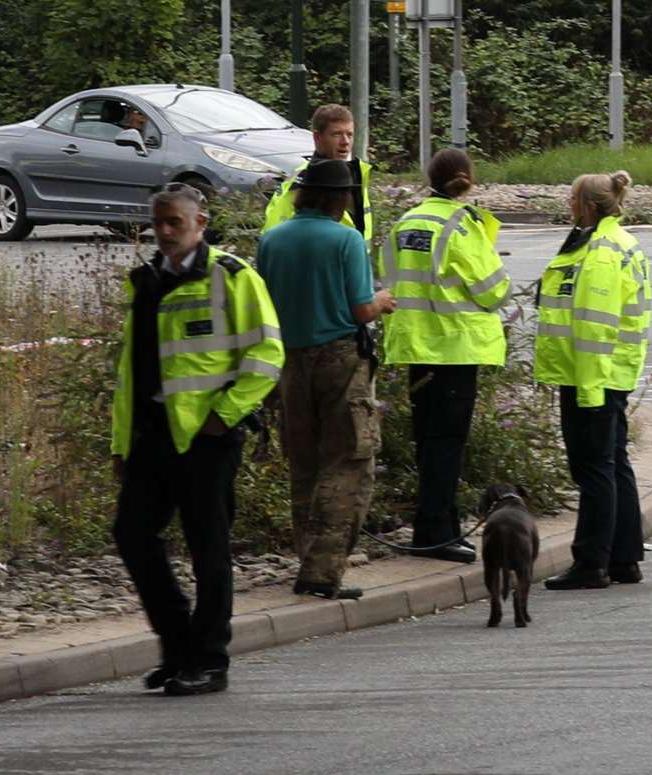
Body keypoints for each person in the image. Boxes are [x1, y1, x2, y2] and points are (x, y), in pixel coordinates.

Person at [110, 183, 283, 696]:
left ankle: (208, 660)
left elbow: (268, 355)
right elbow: (131, 375)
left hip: (208, 438)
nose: (163, 233)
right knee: (132, 534)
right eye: (157, 223)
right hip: (153, 435)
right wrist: (122, 444)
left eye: (174, 223)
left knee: (209, 549)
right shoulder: (145, 283)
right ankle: (178, 645)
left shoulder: (231, 277)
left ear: (200, 224)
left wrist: (223, 417)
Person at [256, 159, 396, 601]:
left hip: (288, 362)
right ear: (342, 198)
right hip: (340, 359)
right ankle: (323, 570)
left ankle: (306, 556)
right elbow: (358, 310)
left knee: (304, 463)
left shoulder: (272, 240)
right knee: (349, 462)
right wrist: (382, 301)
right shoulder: (346, 239)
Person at [380, 149, 511, 563]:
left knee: (428, 441)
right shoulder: (461, 224)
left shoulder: (406, 222)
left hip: (416, 345)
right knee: (447, 445)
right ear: (468, 181)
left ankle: (435, 527)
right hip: (455, 347)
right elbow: (494, 290)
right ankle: (437, 534)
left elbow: (387, 277)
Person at [535, 171, 652, 590]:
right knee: (613, 462)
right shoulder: (612, 241)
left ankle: (591, 562)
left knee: (594, 468)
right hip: (607, 372)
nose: (567, 204)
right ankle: (623, 558)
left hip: (592, 374)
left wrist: (587, 387)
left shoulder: (600, 252)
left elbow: (594, 326)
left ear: (587, 204)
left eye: (571, 198)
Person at [264, 104, 375, 238]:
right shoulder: (303, 182)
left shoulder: (358, 174)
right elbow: (275, 238)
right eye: (336, 134)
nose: (345, 142)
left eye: (349, 135)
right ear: (317, 137)